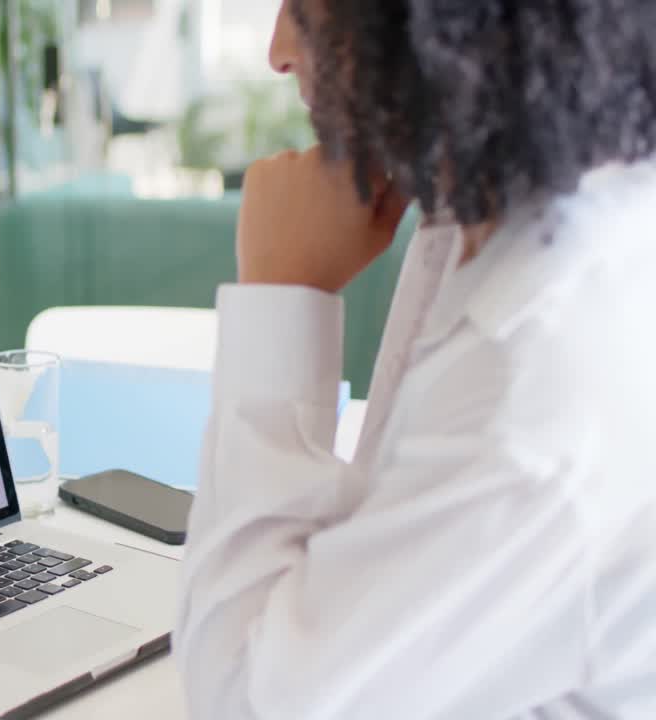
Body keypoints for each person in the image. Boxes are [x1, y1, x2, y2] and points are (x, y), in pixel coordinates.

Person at [174, 1, 656, 717]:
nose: (278, 51)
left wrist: (281, 292)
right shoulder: (518, 212)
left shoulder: (528, 389)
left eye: (306, 9)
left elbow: (246, 700)